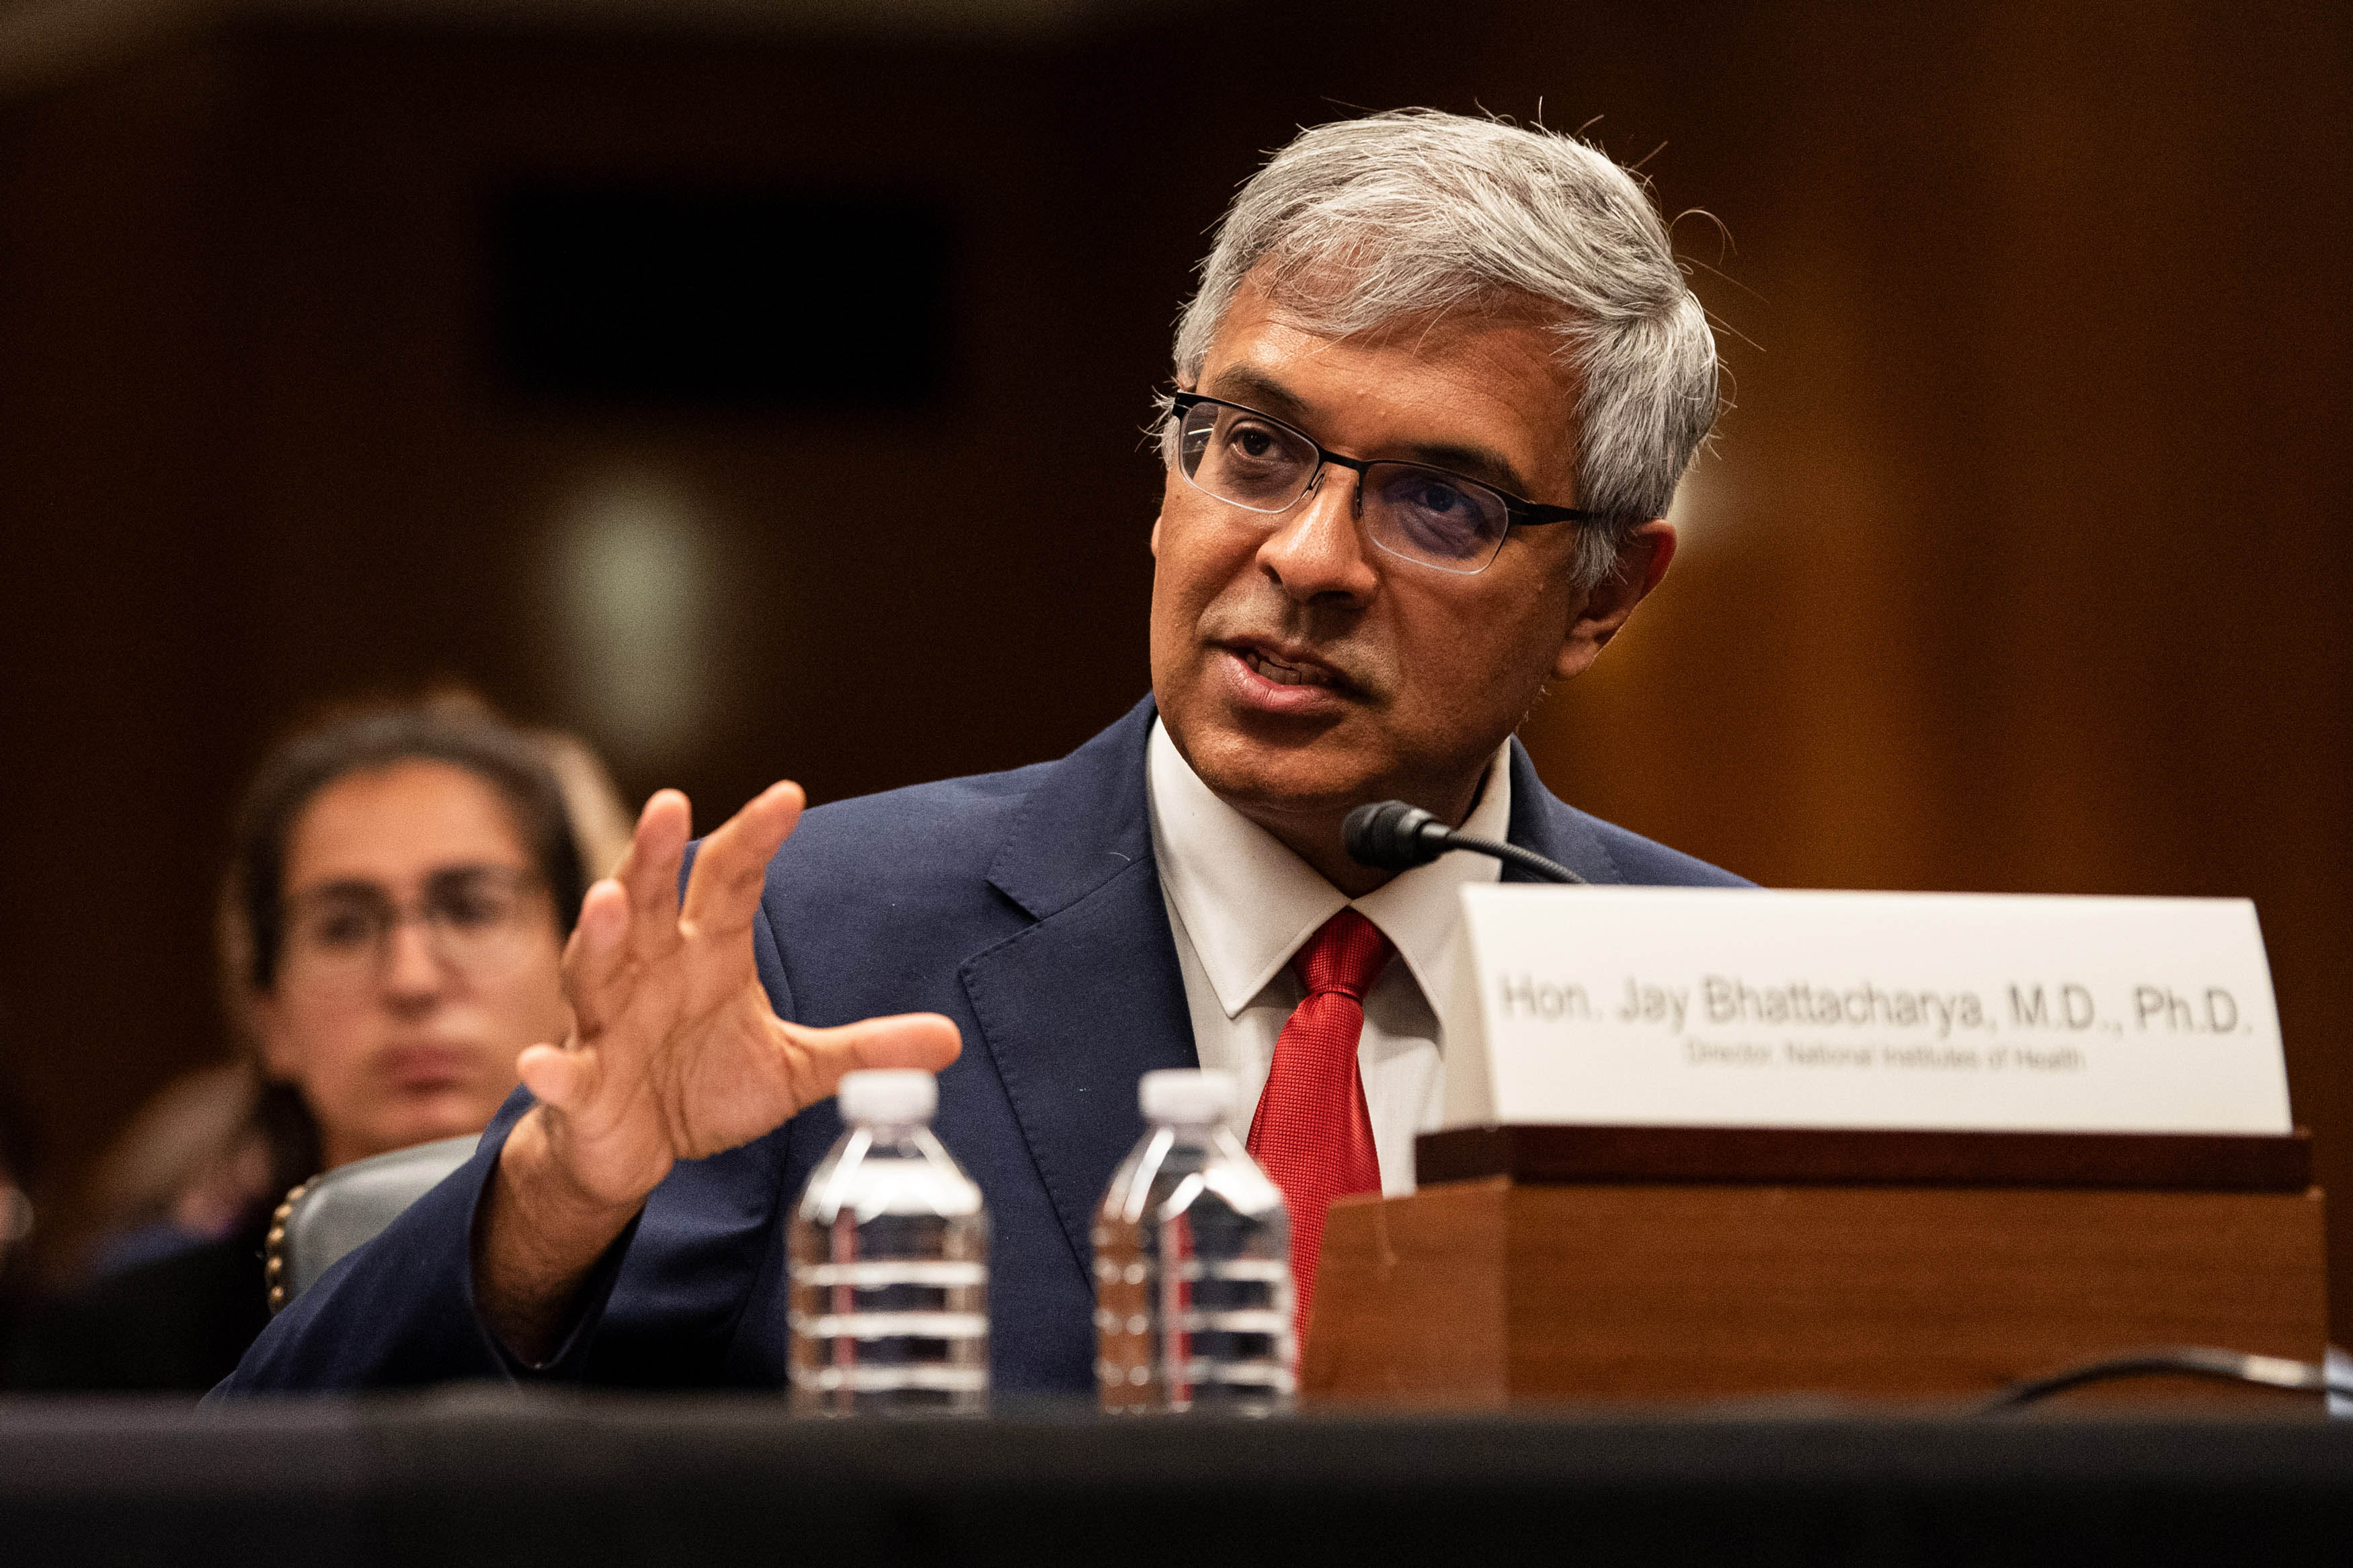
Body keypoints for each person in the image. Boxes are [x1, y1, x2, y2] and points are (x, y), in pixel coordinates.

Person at [221, 108, 1745, 1398]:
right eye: (1256, 446)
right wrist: (563, 1196)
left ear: (1603, 593)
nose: (1307, 555)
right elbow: (258, 1484)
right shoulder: (810, 941)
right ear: (1171, 474)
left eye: (1441, 502)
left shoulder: (1728, 1003)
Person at [9, 702, 597, 1391]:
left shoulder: (701, 1302)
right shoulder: (105, 1358)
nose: (411, 979)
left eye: (470, 907)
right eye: (343, 927)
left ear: (578, 967)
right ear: (268, 1015)